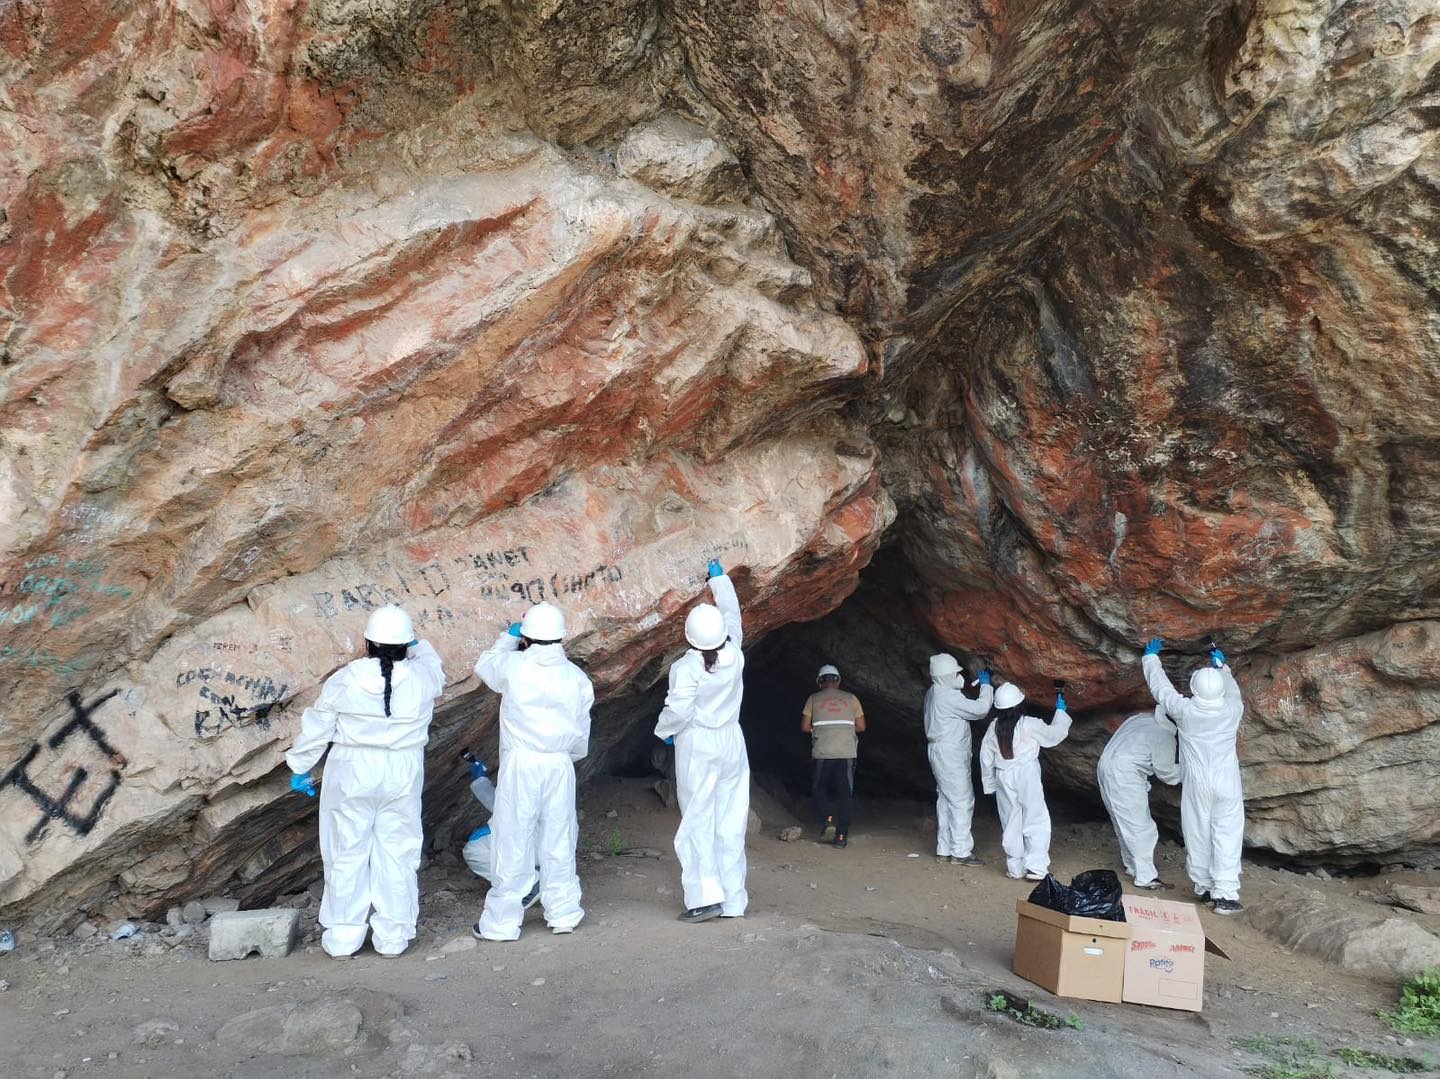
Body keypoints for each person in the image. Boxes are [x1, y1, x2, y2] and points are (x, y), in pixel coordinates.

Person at [286, 604, 445, 958]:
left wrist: (300, 766)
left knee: (346, 850)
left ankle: (344, 935)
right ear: (406, 645)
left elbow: (319, 725)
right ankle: (393, 936)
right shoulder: (423, 678)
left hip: (353, 769)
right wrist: (415, 644)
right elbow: (433, 664)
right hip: (402, 771)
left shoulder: (346, 678)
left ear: (367, 642)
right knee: (398, 851)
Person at [472, 602, 593, 941]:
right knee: (559, 838)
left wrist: (508, 637)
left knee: (513, 839)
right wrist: (565, 757)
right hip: (558, 764)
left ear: (527, 637)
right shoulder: (577, 678)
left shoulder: (514, 666)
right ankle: (564, 913)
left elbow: (485, 667)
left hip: (522, 763)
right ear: (560, 638)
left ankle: (501, 923)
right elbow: (582, 734)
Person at [654, 559, 750, 923]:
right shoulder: (735, 655)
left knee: (697, 819)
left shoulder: (687, 668)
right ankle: (734, 900)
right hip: (732, 741)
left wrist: (663, 733)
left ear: (689, 636)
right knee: (731, 819)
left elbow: (677, 711)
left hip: (698, 742)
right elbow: (733, 618)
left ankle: (704, 897)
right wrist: (719, 580)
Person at [1140, 638, 1246, 914]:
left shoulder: (1185, 711)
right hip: (1227, 781)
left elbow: (1161, 690)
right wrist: (1222, 666)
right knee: (1228, 833)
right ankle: (1225, 894)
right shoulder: (1233, 709)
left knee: (1197, 830)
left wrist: (1151, 659)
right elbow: (1232, 690)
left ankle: (1204, 887)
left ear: (1193, 689)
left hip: (1197, 781)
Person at [978, 682, 1072, 881]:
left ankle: (1015, 868)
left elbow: (985, 757)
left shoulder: (994, 726)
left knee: (1010, 821)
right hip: (1026, 774)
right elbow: (1053, 736)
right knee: (1035, 818)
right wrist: (1061, 712)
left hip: (1003, 776)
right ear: (1020, 703)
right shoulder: (1029, 723)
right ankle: (1037, 868)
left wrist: (990, 784)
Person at [1096, 705, 1182, 889]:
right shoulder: (1164, 735)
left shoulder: (1141, 718)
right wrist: (1189, 770)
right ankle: (1146, 876)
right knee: (1141, 826)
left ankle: (1132, 866)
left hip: (1105, 766)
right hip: (1125, 774)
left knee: (1122, 821)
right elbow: (1166, 773)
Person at [924, 654, 994, 866]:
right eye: (956, 673)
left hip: (940, 751)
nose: (959, 675)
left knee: (946, 799)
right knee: (962, 800)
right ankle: (961, 852)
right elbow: (980, 710)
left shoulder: (933, 692)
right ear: (946, 677)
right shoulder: (948, 696)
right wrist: (986, 687)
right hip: (950, 753)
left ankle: (944, 848)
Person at [460, 754, 540, 912]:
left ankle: (531, 883)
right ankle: (544, 873)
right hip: (551, 841)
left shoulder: (521, 766)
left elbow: (502, 804)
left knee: (474, 849)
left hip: (532, 839)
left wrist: (479, 779)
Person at [802, 663, 865, 848]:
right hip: (846, 753)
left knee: (819, 789)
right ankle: (841, 838)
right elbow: (861, 727)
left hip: (823, 752)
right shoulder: (852, 698)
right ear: (837, 681)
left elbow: (805, 727)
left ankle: (828, 821)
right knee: (845, 795)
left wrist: (821, 728)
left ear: (820, 682)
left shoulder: (813, 699)